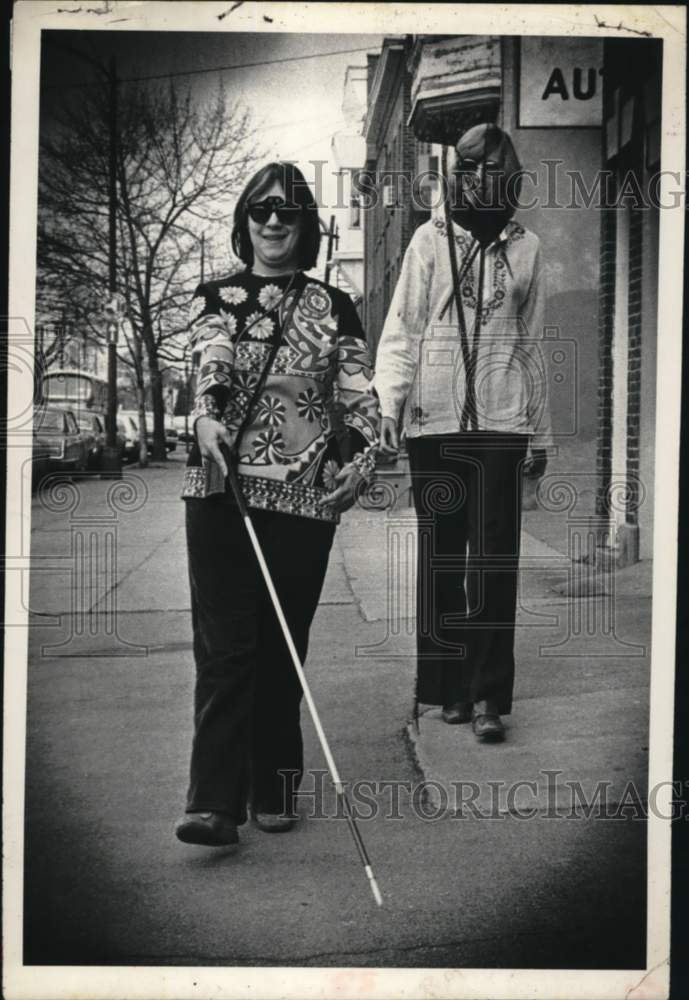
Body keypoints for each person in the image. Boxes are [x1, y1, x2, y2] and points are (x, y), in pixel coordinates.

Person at [176, 162, 379, 847]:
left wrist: (361, 462)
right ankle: (213, 803)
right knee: (225, 650)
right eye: (259, 210)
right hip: (220, 492)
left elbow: (358, 394)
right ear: (244, 221)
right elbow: (211, 361)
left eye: (285, 211)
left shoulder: (335, 305)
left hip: (304, 502)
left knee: (282, 648)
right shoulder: (217, 296)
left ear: (304, 224)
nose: (271, 221)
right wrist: (205, 416)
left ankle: (276, 782)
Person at [375, 123, 552, 743]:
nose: (479, 179)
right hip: (434, 423)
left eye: (491, 169)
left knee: (495, 563)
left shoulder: (528, 248)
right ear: (455, 175)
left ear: (511, 176)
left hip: (503, 423)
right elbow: (403, 328)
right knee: (444, 559)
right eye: (468, 168)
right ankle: (448, 687)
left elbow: (533, 344)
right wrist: (389, 406)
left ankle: (487, 697)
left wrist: (541, 434)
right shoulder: (429, 240)